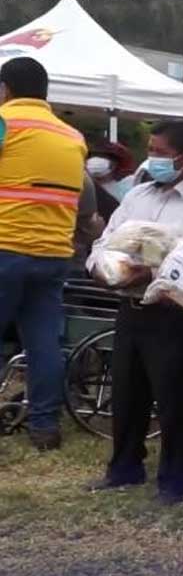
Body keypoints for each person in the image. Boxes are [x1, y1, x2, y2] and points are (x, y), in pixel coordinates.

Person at [85, 120, 183, 503]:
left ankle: (176, 479)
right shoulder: (137, 195)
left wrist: (146, 271)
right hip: (129, 305)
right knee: (127, 392)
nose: (153, 159)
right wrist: (104, 268)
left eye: (161, 153)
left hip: (174, 314)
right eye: (151, 150)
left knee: (172, 398)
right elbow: (105, 240)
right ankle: (124, 467)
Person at [0, 57, 87, 451]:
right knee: (43, 343)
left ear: (6, 88)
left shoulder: (5, 121)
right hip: (54, 254)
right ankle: (44, 427)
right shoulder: (72, 136)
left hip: (5, 246)